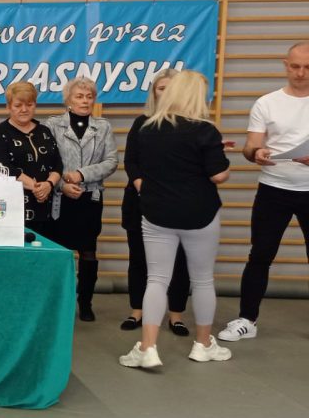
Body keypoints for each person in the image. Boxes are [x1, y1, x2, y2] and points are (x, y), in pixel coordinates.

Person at [119, 70, 232, 368]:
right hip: (200, 213)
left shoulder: (148, 128)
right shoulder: (206, 130)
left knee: (156, 279)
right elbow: (218, 175)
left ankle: (148, 347)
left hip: (157, 212)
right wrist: (221, 157)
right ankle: (203, 345)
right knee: (203, 279)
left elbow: (139, 164)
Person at [218, 41, 309, 342]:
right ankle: (247, 319)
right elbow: (250, 146)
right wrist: (256, 153)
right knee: (260, 255)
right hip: (274, 188)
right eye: (295, 66)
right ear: (285, 65)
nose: (300, 73)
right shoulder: (267, 102)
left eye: (307, 67)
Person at [121, 69, 191, 334]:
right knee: (139, 258)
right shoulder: (141, 123)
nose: (167, 93)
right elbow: (131, 160)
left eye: (171, 88)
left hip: (179, 204)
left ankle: (176, 315)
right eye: (162, 88)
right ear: (154, 92)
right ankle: (137, 311)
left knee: (179, 261)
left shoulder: (191, 124)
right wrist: (142, 186)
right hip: (141, 202)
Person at [44, 77, 117, 322]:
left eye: (89, 96)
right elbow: (46, 162)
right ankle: (57, 303)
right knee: (58, 254)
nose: (85, 101)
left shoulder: (103, 127)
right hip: (59, 199)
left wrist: (82, 174)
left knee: (88, 252)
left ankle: (85, 302)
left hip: (90, 199)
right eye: (79, 96)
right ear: (68, 99)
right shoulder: (52, 125)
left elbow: (111, 161)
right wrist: (62, 185)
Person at [0, 81, 62, 237]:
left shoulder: (44, 131)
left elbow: (57, 164)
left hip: (46, 207)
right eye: (18, 105)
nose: (24, 109)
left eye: (29, 104)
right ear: (8, 107)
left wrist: (48, 185)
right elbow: (3, 168)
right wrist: (36, 188)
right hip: (12, 207)